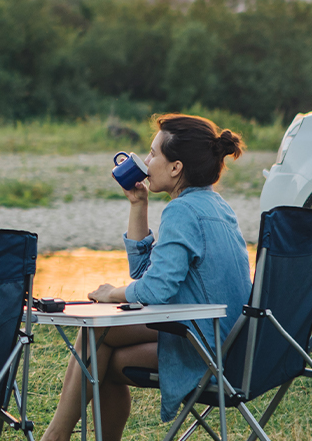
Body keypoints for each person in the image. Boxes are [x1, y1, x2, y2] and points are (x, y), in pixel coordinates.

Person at [41, 114, 252, 441]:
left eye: (153, 154)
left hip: (206, 349)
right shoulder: (215, 205)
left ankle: (55, 436)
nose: (146, 161)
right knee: (101, 350)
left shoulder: (182, 211)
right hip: (229, 344)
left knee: (97, 342)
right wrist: (139, 205)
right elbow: (147, 274)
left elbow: (155, 289)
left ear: (176, 167)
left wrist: (112, 293)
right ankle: (57, 435)